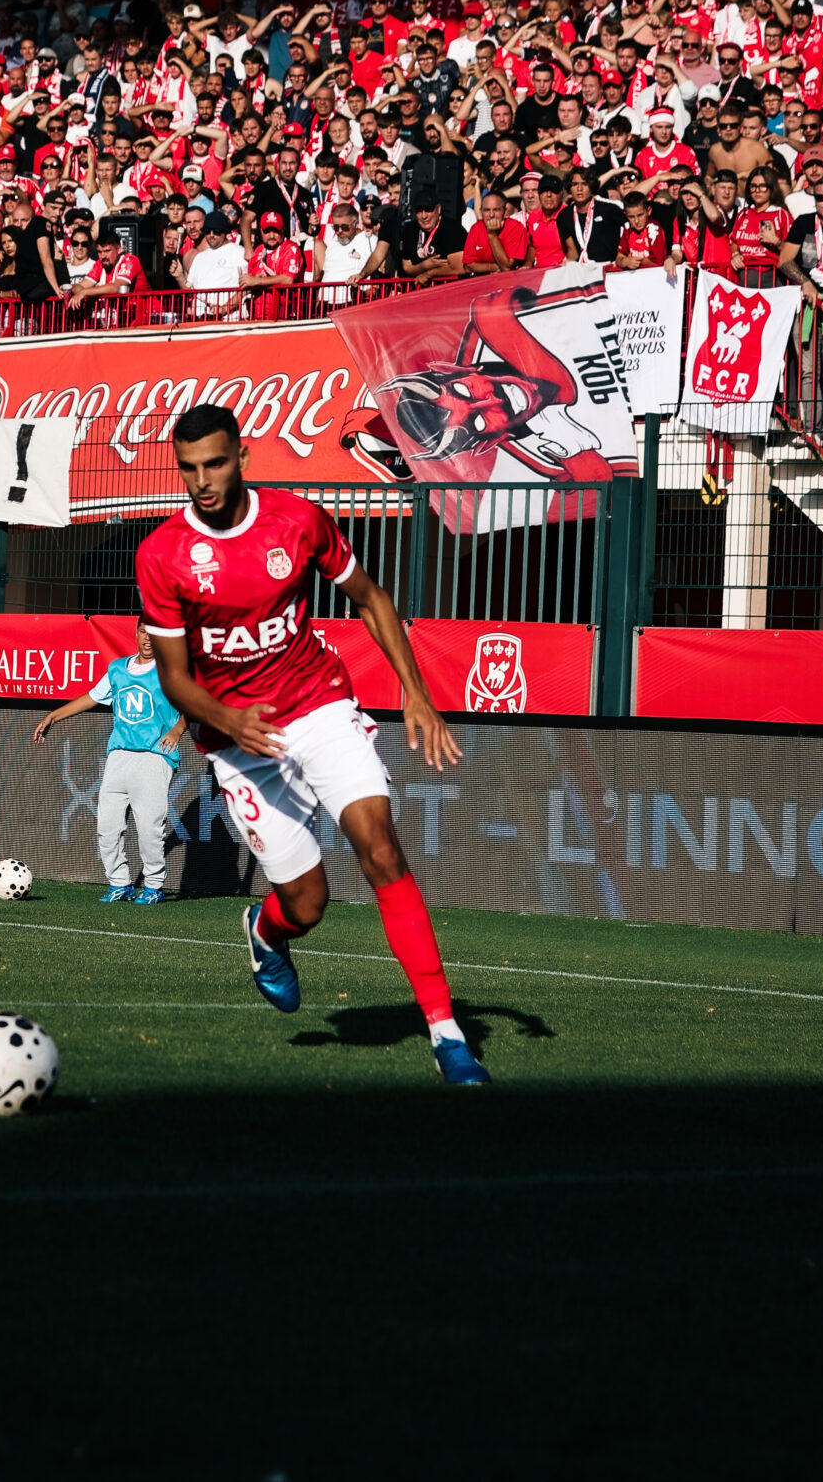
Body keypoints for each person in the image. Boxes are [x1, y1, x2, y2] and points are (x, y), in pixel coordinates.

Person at [136, 401, 490, 1086]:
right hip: (239, 740)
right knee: (307, 903)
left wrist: (415, 691)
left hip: (318, 702)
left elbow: (370, 597)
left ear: (243, 458)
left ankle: (447, 1035)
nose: (202, 481)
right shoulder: (162, 555)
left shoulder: (297, 521)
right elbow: (174, 677)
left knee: (380, 847)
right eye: (189, 468)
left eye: (215, 463)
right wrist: (229, 719)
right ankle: (266, 932)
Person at [32, 619, 186, 904]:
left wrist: (178, 729)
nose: (148, 639)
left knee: (149, 829)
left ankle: (153, 886)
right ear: (136, 633)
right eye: (143, 632)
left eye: (154, 634)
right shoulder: (117, 670)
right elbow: (92, 698)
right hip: (118, 757)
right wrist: (53, 716)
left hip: (154, 757)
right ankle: (119, 882)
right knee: (108, 826)